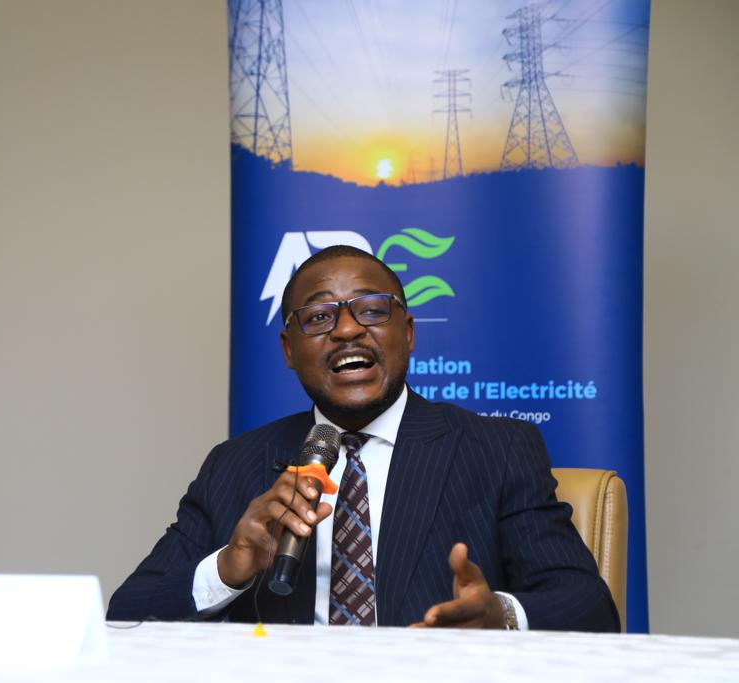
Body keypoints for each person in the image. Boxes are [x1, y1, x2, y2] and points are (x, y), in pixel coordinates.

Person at [107, 246, 619, 631]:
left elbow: (589, 606)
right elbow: (125, 613)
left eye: (372, 310)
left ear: (408, 333)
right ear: (288, 349)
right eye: (319, 317)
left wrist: (499, 614)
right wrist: (228, 567)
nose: (348, 330)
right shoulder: (235, 464)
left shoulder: (497, 450)